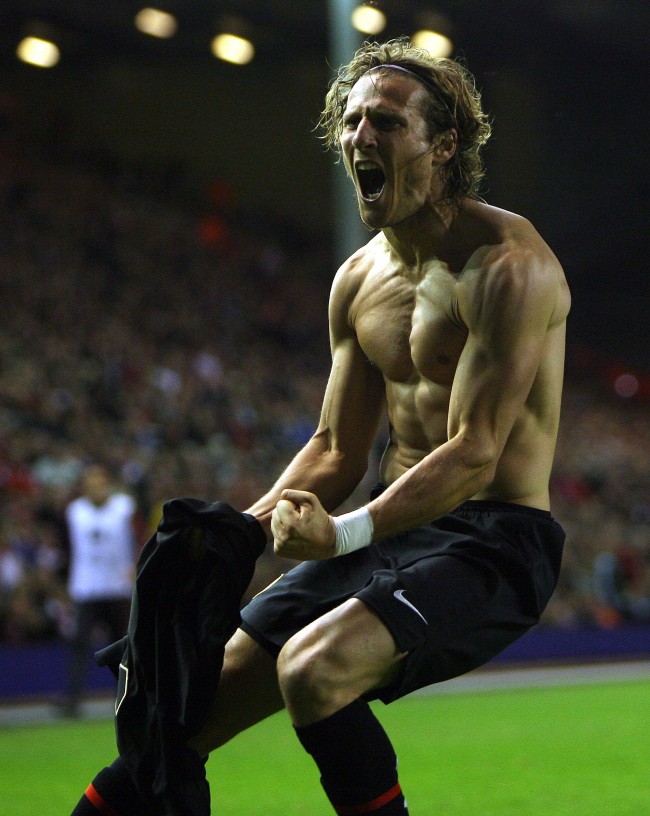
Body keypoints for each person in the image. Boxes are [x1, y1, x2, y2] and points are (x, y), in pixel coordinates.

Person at [70, 37, 570, 816]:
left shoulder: (508, 263)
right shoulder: (358, 279)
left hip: (494, 541)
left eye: (388, 123)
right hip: (390, 530)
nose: (361, 136)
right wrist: (242, 535)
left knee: (313, 670)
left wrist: (339, 534)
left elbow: (475, 453)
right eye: (352, 120)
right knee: (173, 726)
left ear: (444, 146)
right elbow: (336, 448)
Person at [60, 463, 138, 717]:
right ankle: (72, 700)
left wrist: (134, 567)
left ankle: (130, 698)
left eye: (100, 482)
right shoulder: (75, 512)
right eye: (90, 483)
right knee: (79, 644)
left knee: (124, 646)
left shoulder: (124, 508)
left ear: (108, 484)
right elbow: (67, 547)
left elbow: (137, 538)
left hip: (117, 587)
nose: (95, 487)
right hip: (86, 587)